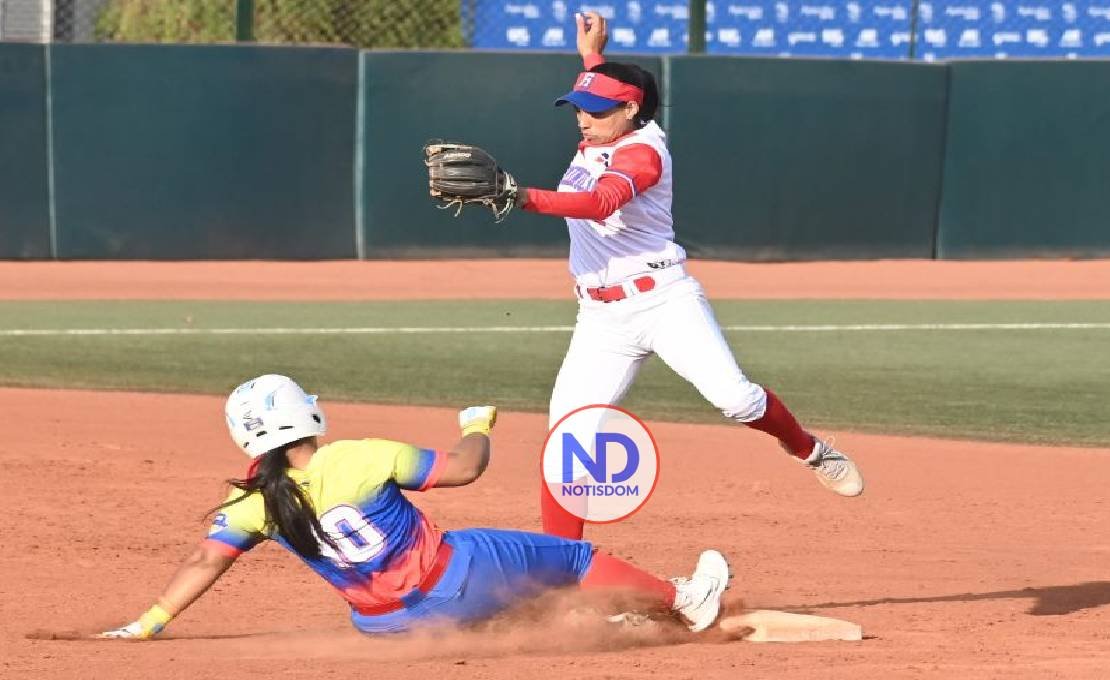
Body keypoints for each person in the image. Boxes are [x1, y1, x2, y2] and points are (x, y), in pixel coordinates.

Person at [515, 13, 866, 540]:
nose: (583, 120)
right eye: (578, 108)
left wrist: (518, 196)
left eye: (595, 109)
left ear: (631, 108)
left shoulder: (644, 152)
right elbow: (604, 102)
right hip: (601, 318)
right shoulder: (610, 122)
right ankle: (557, 570)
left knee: (736, 399)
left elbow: (598, 201)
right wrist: (593, 60)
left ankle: (809, 449)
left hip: (664, 303)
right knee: (569, 437)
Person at [95, 374, 730, 639]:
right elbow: (464, 469)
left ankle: (597, 623)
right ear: (307, 415)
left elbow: (204, 560)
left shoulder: (252, 502)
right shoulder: (358, 456)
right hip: (456, 583)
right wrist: (477, 423)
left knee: (498, 586)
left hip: (384, 627)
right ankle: (684, 600)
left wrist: (147, 623)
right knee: (574, 555)